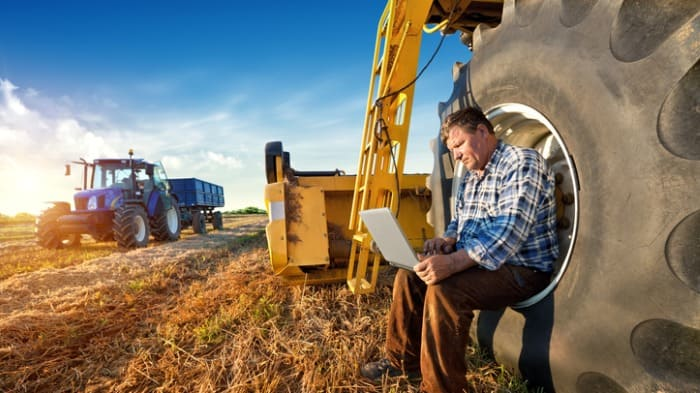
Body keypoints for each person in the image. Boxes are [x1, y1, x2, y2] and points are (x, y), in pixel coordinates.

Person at [360, 107, 559, 392]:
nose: (455, 155)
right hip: (484, 265)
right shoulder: (471, 175)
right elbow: (461, 220)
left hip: (521, 269)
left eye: (458, 145)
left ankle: (441, 388)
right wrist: (447, 241)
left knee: (445, 290)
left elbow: (508, 233)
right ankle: (401, 362)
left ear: (482, 131)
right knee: (409, 276)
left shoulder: (522, 162)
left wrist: (451, 264)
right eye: (452, 149)